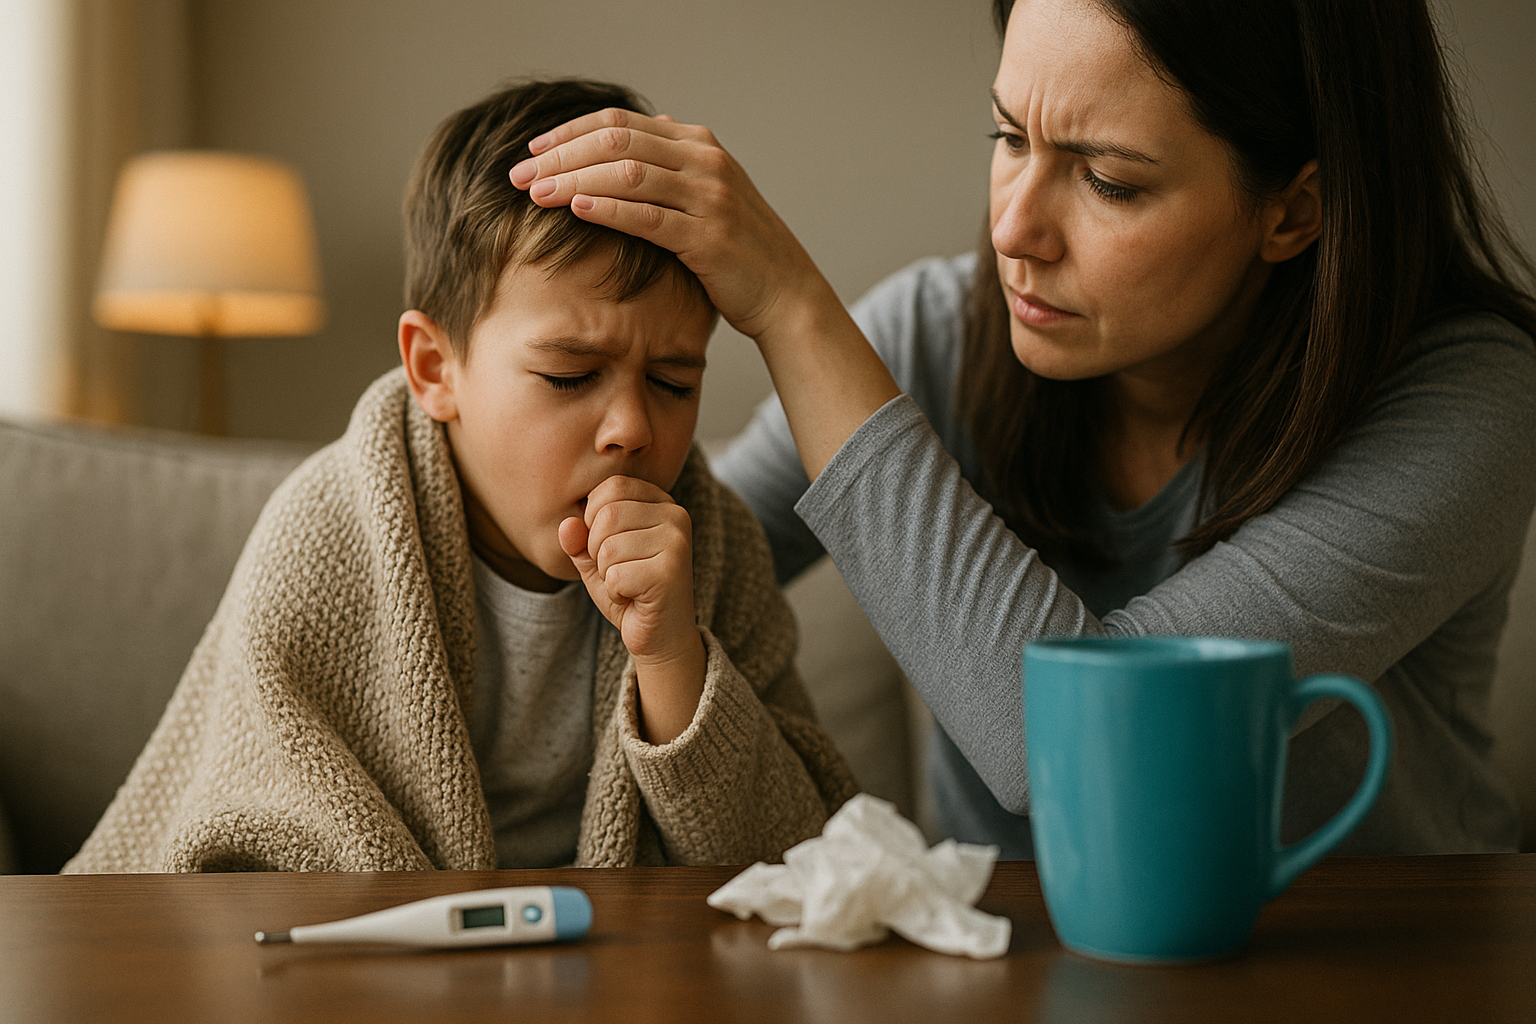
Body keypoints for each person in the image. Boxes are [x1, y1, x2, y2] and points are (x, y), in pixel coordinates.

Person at [507, 0, 1536, 855]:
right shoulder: (934, 338)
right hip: (1007, 973)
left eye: (1108, 179)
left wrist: (790, 307)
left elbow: (1080, 748)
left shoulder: (1469, 401)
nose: (1011, 229)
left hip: (1383, 971)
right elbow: (637, 577)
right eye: (1008, 138)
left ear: (1294, 211)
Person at [65, 79, 856, 874]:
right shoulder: (326, 537)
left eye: (673, 382)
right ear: (435, 370)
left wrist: (673, 656)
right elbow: (254, 831)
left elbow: (802, 858)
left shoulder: (713, 546)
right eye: (571, 376)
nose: (632, 428)